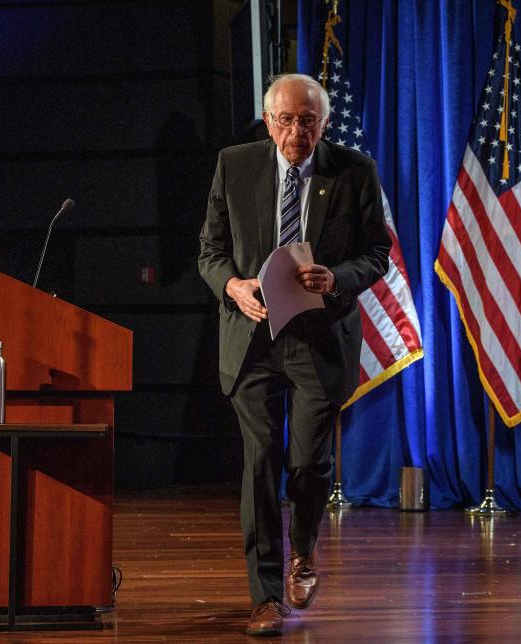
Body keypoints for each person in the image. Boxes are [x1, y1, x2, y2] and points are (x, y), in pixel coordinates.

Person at [198, 73, 391, 637]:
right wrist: (231, 286)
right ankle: (264, 596)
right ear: (268, 122)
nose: (295, 131)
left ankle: (303, 552)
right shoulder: (236, 165)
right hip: (251, 339)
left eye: (308, 121)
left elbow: (377, 253)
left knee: (307, 464)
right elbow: (209, 251)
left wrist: (336, 278)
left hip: (318, 336)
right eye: (285, 120)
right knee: (259, 463)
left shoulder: (353, 171)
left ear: (323, 124)